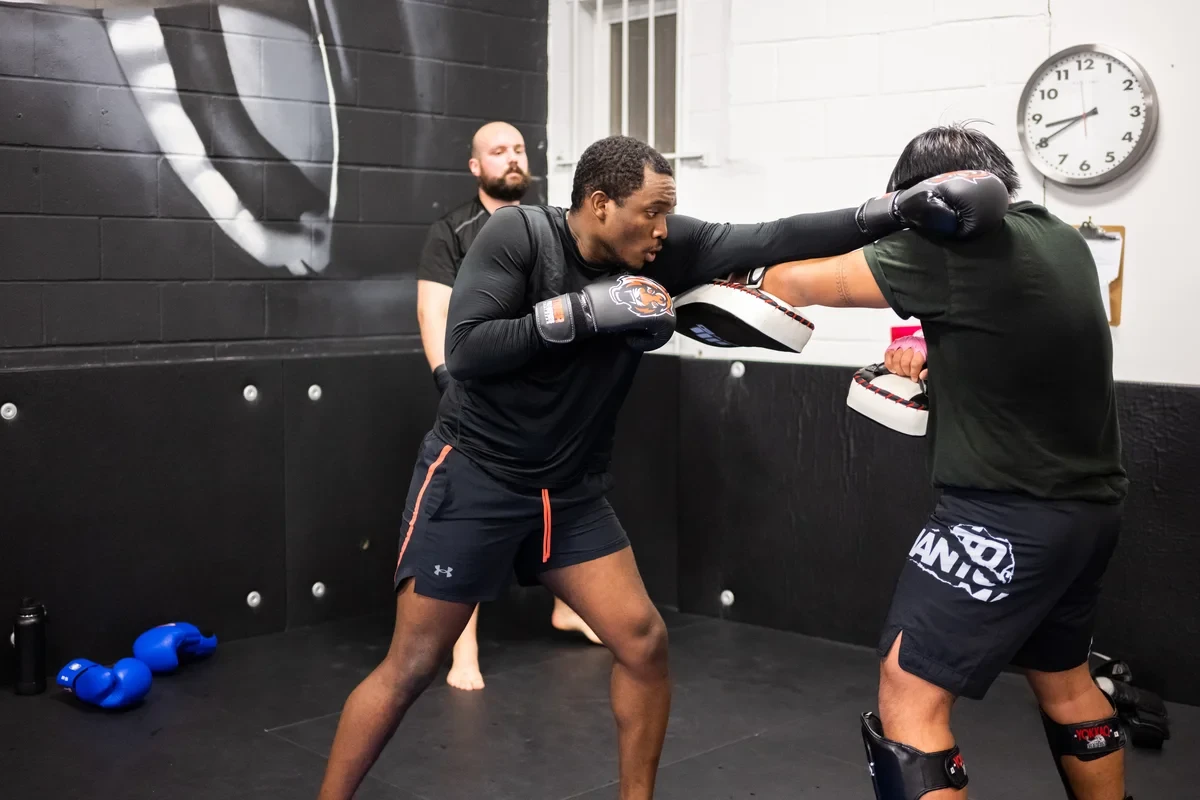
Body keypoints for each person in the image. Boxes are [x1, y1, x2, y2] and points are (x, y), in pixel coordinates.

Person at [316, 134, 1004, 800]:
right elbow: (465, 351)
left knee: (643, 643)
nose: (662, 229)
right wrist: (582, 312)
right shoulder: (520, 238)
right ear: (599, 204)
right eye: (651, 211)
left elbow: (775, 235)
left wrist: (892, 211)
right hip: (477, 478)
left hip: (573, 493)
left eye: (668, 212)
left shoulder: (663, 250)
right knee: (412, 666)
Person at [725, 125, 1130, 800]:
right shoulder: (1059, 240)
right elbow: (1015, 350)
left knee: (908, 696)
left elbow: (807, 281)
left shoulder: (956, 247)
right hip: (1086, 517)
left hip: (1003, 518)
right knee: (1065, 680)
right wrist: (937, 361)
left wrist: (730, 269)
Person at [415, 120, 601, 693]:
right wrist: (449, 378)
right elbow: (433, 311)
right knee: (472, 526)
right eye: (498, 152)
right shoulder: (453, 231)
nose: (512, 159)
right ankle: (462, 650)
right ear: (476, 166)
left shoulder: (547, 225)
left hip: (543, 406)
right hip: (479, 406)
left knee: (560, 504)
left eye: (518, 149)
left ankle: (567, 606)